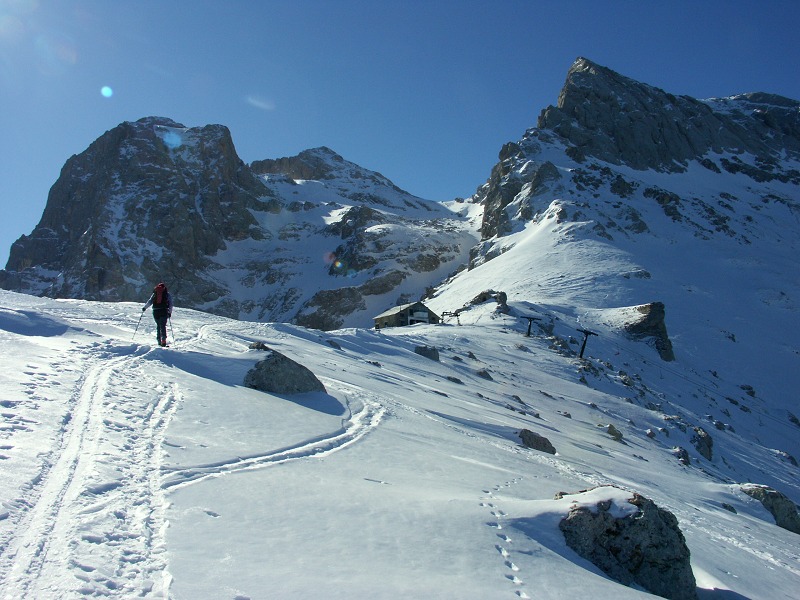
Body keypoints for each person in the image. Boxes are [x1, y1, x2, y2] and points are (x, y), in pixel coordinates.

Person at [142, 282, 173, 346]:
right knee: (163, 326)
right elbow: (170, 304)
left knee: (158, 326)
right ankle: (163, 340)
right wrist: (169, 312)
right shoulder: (167, 294)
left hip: (155, 312)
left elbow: (150, 301)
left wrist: (145, 308)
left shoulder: (155, 293)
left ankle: (159, 341)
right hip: (163, 311)